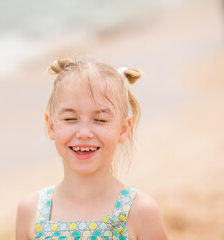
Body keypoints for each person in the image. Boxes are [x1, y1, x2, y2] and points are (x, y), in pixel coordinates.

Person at [16, 58, 168, 240]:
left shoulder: (141, 212)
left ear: (123, 129)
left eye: (100, 120)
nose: (84, 133)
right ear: (51, 126)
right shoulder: (31, 211)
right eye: (70, 119)